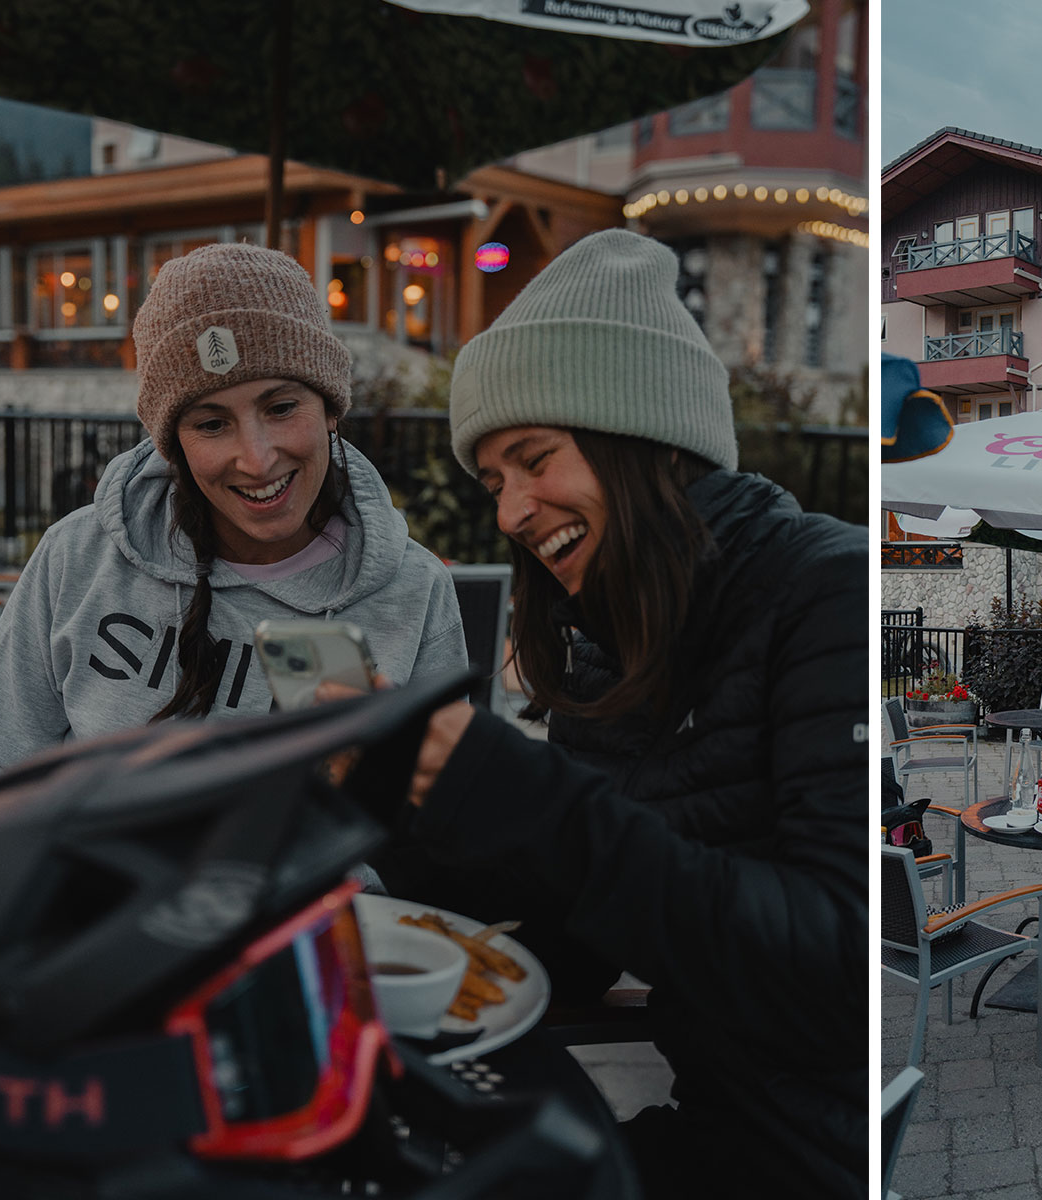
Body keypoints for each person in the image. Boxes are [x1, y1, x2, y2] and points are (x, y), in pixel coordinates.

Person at [341, 230, 867, 1200]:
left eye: (533, 458)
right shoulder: (605, 642)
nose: (509, 511)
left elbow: (844, 981)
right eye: (493, 481)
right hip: (721, 1131)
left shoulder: (828, 591)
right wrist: (412, 819)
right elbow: (583, 939)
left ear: (641, 442)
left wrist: (536, 803)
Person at [0, 243, 466, 800]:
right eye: (212, 424)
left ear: (331, 408)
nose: (256, 459)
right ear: (173, 446)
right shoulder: (78, 557)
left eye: (281, 408)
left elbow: (442, 828)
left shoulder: (414, 589)